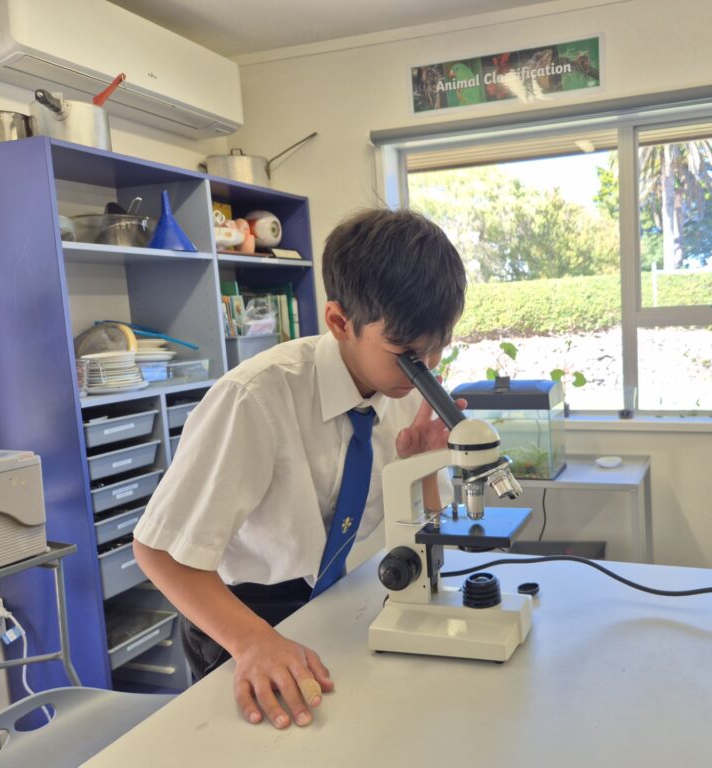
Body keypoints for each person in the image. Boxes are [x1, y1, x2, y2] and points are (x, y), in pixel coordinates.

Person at [133, 208, 467, 730]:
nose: (425, 366)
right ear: (339, 322)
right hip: (244, 614)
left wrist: (423, 471)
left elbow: (429, 535)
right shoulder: (255, 399)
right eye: (408, 352)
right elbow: (157, 551)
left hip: (344, 602)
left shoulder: (407, 389)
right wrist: (252, 641)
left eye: (438, 347)